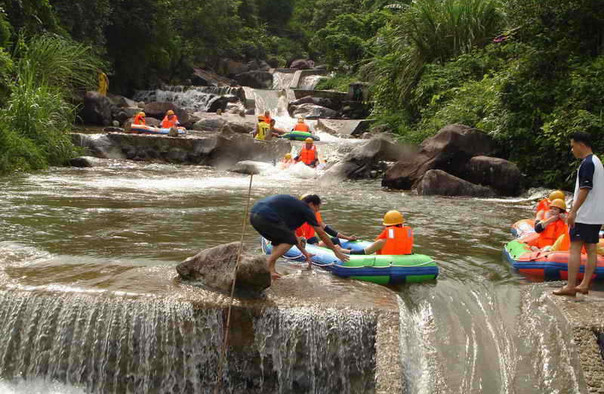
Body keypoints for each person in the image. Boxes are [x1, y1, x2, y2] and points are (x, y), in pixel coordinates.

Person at [250, 194, 349, 279]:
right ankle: (267, 263)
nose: (315, 212)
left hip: (254, 216)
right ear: (311, 204)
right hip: (265, 216)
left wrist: (305, 253)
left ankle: (271, 271)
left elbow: (293, 234)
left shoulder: (295, 209)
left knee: (280, 240)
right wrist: (335, 251)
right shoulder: (305, 209)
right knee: (288, 240)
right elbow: (322, 234)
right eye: (316, 209)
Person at [554, 132, 604, 296]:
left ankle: (570, 286)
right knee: (591, 250)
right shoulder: (597, 162)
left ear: (581, 145)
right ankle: (583, 285)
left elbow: (585, 189)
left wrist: (573, 211)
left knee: (574, 248)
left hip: (584, 215)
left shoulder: (587, 163)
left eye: (572, 145)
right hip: (596, 215)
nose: (572, 149)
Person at [343, 210, 413, 255]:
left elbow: (364, 252)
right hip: (405, 263)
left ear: (387, 226)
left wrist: (342, 250)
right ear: (401, 224)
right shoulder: (405, 237)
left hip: (388, 263)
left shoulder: (382, 242)